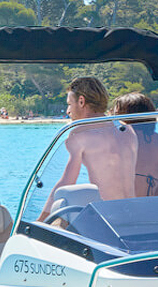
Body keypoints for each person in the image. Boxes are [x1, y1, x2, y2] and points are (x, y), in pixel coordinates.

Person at [39, 77, 138, 221]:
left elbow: (66, 182)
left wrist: (41, 220)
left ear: (81, 101)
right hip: (133, 215)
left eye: (69, 104)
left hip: (108, 219)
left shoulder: (80, 133)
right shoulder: (126, 129)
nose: (68, 111)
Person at [112, 92, 158, 197]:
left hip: (121, 205)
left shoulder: (121, 139)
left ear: (127, 117)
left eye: (117, 116)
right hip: (151, 205)